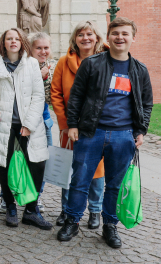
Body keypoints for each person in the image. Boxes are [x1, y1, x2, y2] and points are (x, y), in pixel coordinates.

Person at [57, 17, 153, 249]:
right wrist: (72, 125)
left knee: (115, 185)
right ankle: (72, 221)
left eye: (125, 34)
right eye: (116, 33)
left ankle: (110, 226)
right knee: (80, 181)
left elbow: (146, 103)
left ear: (132, 38)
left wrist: (141, 130)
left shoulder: (139, 70)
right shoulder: (92, 64)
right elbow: (77, 96)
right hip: (91, 133)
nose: (120, 37)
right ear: (108, 37)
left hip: (123, 136)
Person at [0, 28, 52, 230]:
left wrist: (29, 124)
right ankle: (10, 206)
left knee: (37, 163)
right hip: (5, 124)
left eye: (16, 38)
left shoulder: (31, 64)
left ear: (22, 42)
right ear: (3, 43)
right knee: (4, 164)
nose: (13, 41)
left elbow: (38, 96)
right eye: (9, 39)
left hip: (29, 124)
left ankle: (31, 210)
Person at [51, 21, 107, 229]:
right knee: (70, 169)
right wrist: (65, 123)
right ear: (75, 39)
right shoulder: (64, 62)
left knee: (96, 170)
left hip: (97, 127)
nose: (85, 38)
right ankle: (67, 209)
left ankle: (95, 210)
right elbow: (56, 93)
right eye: (81, 34)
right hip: (70, 127)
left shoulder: (105, 61)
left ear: (96, 37)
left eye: (89, 34)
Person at [27, 32, 56, 213]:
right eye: (39, 47)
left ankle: (37, 196)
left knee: (43, 162)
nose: (43, 51)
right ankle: (7, 197)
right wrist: (39, 75)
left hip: (44, 121)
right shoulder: (24, 66)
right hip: (24, 121)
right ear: (30, 49)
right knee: (19, 159)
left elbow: (51, 98)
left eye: (46, 48)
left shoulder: (52, 67)